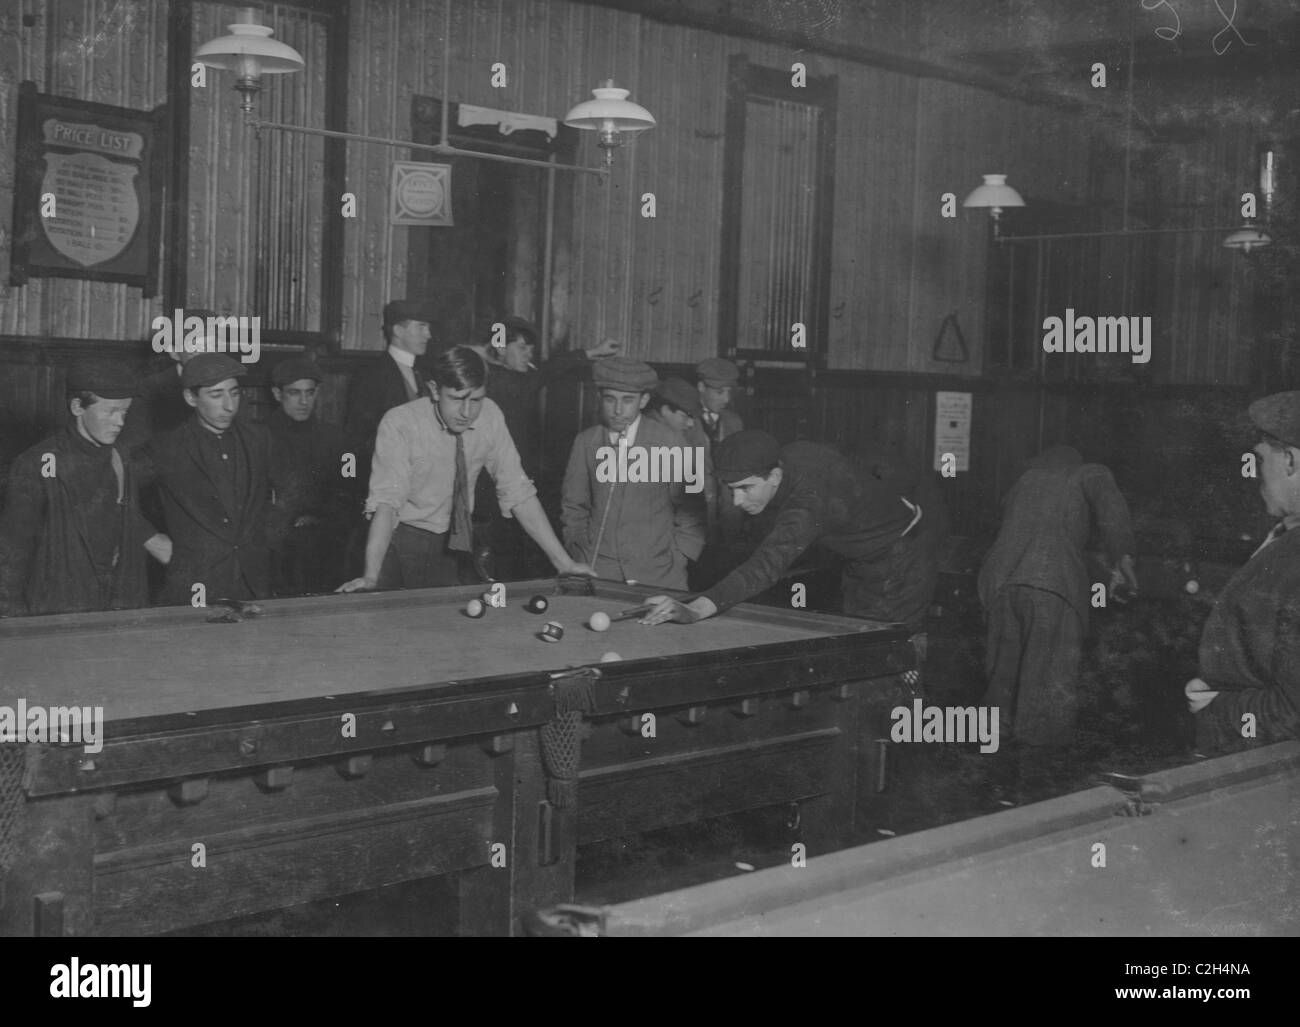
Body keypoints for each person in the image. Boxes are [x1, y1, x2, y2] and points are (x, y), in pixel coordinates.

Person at [338, 346, 591, 592]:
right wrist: (372, 575)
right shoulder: (400, 423)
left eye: (477, 400)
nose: (467, 413)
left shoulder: (490, 416)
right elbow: (386, 504)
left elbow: (518, 491)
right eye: (457, 399)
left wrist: (564, 563)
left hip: (454, 545)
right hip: (397, 543)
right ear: (435, 390)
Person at [976, 445, 1137, 796]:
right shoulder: (1089, 472)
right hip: (1051, 587)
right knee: (1047, 693)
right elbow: (1110, 508)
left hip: (1002, 585)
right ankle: (1035, 798)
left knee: (1002, 686)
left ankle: (991, 791)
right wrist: (1122, 558)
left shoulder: (1027, 479)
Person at [641, 430, 929, 627]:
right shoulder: (788, 455)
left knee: (880, 657)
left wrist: (695, 610)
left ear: (776, 475)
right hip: (863, 556)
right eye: (731, 490)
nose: (738, 501)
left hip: (901, 562)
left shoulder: (809, 502)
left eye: (745, 489)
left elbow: (767, 564)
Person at [0, 360, 170, 617]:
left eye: (125, 412)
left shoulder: (119, 457)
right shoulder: (36, 463)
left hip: (115, 604)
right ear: (77, 407)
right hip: (57, 607)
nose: (120, 422)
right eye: (111, 412)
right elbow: (13, 553)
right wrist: (12, 621)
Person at [1186, 393, 1300, 749]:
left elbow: (1292, 712)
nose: (1257, 473)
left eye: (1261, 458)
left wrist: (1216, 707)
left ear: (1291, 461)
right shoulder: (1286, 537)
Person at [469, 316, 620, 578]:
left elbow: (551, 369)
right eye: (522, 347)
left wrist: (593, 352)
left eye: (531, 348)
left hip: (517, 484)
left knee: (512, 555)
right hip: (484, 487)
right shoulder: (489, 379)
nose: (529, 353)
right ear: (501, 348)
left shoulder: (521, 379)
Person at [140, 354, 277, 605]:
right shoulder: (166, 447)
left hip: (253, 580)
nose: (229, 406)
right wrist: (151, 540)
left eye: (234, 393)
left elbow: (285, 493)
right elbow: (114, 494)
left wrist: (265, 539)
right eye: (216, 395)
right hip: (193, 582)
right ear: (191, 398)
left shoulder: (259, 438)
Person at [561, 358, 705, 591]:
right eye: (610, 399)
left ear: (644, 400)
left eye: (627, 400)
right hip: (597, 573)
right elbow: (573, 506)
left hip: (660, 576)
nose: (618, 410)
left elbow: (695, 511)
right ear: (600, 398)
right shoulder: (585, 441)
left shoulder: (676, 442)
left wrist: (681, 557)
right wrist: (579, 549)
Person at [266, 357, 356, 594]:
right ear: (277, 394)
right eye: (294, 393)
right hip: (273, 551)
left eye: (310, 392)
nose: (304, 401)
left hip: (323, 547)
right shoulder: (258, 437)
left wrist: (320, 517)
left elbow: (350, 491)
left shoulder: (337, 439)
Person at [344, 299, 436, 475]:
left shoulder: (428, 373)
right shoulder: (370, 375)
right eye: (421, 327)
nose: (428, 335)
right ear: (398, 331)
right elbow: (357, 438)